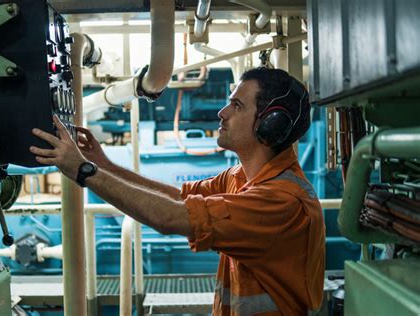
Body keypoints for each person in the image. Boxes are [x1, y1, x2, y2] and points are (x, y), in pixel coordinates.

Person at [30, 67, 325, 315]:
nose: (222, 113)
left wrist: (83, 171)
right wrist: (103, 165)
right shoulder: (241, 178)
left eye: (237, 106)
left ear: (271, 124)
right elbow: (178, 198)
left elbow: (170, 217)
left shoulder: (281, 203)